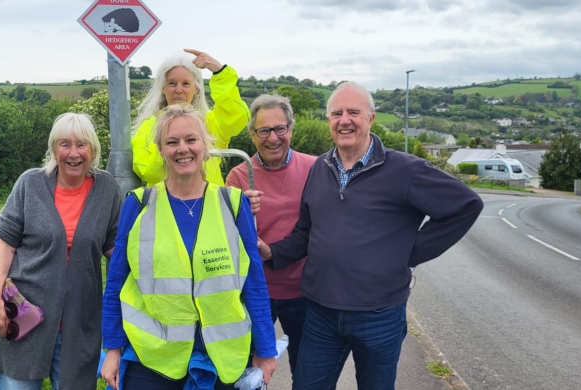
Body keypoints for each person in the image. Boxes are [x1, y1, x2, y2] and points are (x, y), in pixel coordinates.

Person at [257, 82, 484, 390]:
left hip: (378, 315)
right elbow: (307, 233)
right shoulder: (319, 169)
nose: (344, 120)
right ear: (329, 121)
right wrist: (270, 252)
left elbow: (466, 205)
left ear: (371, 118)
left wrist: (408, 252)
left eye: (353, 112)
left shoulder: (405, 170)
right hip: (321, 313)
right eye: (336, 113)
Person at [101, 104, 277, 390]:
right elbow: (116, 283)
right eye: (172, 142)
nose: (182, 149)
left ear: (205, 146)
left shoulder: (233, 203)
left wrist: (265, 350)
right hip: (153, 360)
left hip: (222, 359)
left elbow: (254, 283)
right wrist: (112, 349)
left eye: (191, 139)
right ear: (160, 150)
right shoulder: (138, 204)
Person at [0, 113, 121, 390]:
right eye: (64, 144)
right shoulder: (30, 183)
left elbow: (114, 248)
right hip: (24, 314)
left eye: (81, 144)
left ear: (93, 149)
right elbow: (6, 241)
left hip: (80, 321)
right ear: (53, 149)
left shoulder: (106, 188)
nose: (73, 153)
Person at [225, 94, 316, 376]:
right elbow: (229, 237)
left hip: (306, 290)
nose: (273, 138)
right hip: (255, 292)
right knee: (249, 372)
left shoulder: (315, 168)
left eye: (280, 129)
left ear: (290, 129)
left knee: (308, 373)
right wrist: (238, 209)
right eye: (263, 130)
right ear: (252, 135)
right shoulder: (239, 177)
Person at [131, 48, 250, 187]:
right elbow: (148, 172)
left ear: (197, 89)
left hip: (212, 205)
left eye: (186, 83)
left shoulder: (210, 123)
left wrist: (220, 72)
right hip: (164, 206)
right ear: (163, 88)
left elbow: (237, 115)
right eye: (172, 83)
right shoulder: (147, 127)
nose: (179, 89)